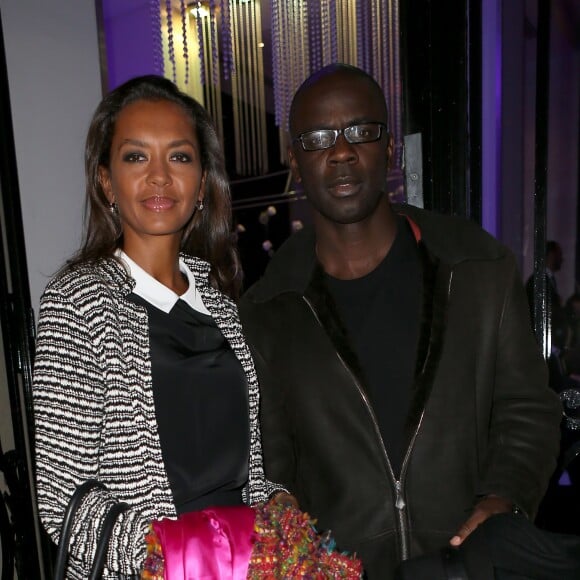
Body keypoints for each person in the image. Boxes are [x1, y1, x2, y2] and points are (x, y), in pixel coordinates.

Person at [239, 63, 564, 578]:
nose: (342, 151)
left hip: (469, 565)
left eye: (361, 131)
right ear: (295, 162)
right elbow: (272, 466)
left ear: (389, 148)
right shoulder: (266, 312)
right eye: (319, 137)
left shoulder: (476, 270)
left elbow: (527, 409)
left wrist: (504, 501)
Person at [32, 75, 361, 579]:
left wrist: (280, 509)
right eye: (136, 157)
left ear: (203, 182)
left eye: (179, 157)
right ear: (106, 182)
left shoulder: (223, 308)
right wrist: (182, 556)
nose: (160, 177)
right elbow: (63, 501)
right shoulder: (78, 302)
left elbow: (245, 475)